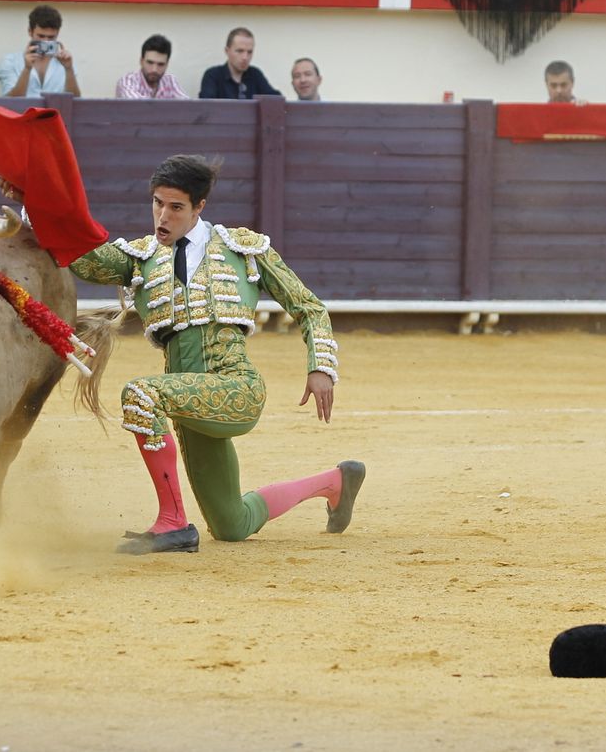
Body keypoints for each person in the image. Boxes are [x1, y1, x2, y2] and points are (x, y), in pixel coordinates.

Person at [23, 154, 361, 556]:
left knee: (141, 395)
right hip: (184, 400)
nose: (162, 216)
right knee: (232, 524)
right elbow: (81, 257)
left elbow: (309, 307)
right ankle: (335, 482)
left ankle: (173, 524)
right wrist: (35, 202)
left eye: (176, 207)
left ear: (200, 207)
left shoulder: (243, 248)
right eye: (157, 203)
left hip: (234, 385)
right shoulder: (140, 257)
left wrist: (321, 366)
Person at [0, 4, 80, 97]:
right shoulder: (10, 61)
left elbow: (76, 102)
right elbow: (10, 101)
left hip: (56, 111)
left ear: (58, 33)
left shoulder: (65, 62)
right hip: (23, 111)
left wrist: (69, 69)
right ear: (30, 31)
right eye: (41, 36)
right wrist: (27, 69)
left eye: (51, 37)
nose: (46, 41)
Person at [199, 27, 281, 99]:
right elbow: (207, 107)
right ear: (227, 51)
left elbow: (275, 100)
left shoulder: (255, 74)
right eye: (240, 51)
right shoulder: (213, 75)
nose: (245, 57)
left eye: (249, 52)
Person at [116, 34, 190, 98]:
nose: (154, 69)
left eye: (160, 64)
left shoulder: (170, 80)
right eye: (150, 62)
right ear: (141, 61)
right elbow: (138, 107)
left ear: (167, 64)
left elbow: (188, 106)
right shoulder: (128, 81)